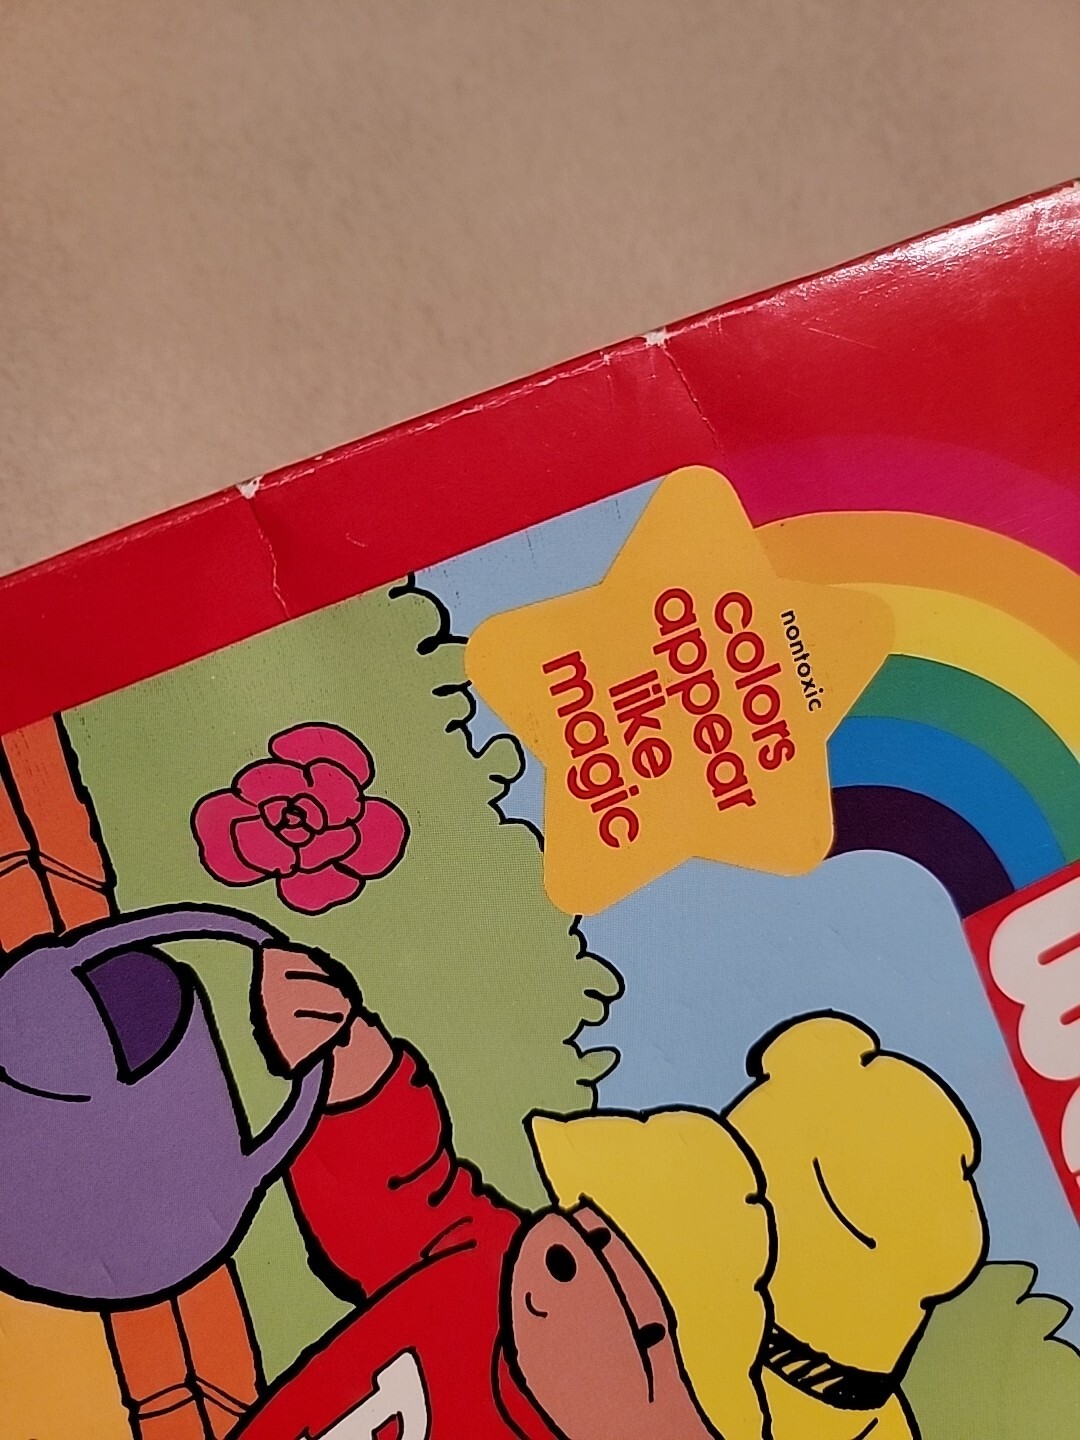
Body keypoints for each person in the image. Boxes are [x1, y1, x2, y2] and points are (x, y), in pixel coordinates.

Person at [237, 945, 775, 1440]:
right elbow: (400, 1196)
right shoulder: (491, 1269)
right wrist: (340, 1045)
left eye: (645, 1336)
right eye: (595, 1234)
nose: (571, 1268)